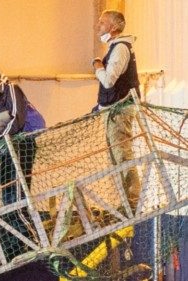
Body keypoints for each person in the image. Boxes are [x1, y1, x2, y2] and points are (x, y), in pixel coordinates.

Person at [92, 10, 140, 209]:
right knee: (116, 156)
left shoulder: (120, 48)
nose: (98, 26)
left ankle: (132, 200)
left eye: (102, 23)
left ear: (113, 27)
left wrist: (97, 66)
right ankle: (127, 200)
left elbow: (109, 81)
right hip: (113, 110)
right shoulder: (115, 47)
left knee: (122, 154)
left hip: (120, 112)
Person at [0, 64, 46, 205]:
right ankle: (14, 220)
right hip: (7, 150)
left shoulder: (12, 90)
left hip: (20, 145)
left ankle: (22, 222)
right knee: (8, 194)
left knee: (18, 192)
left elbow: (17, 117)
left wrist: (3, 136)